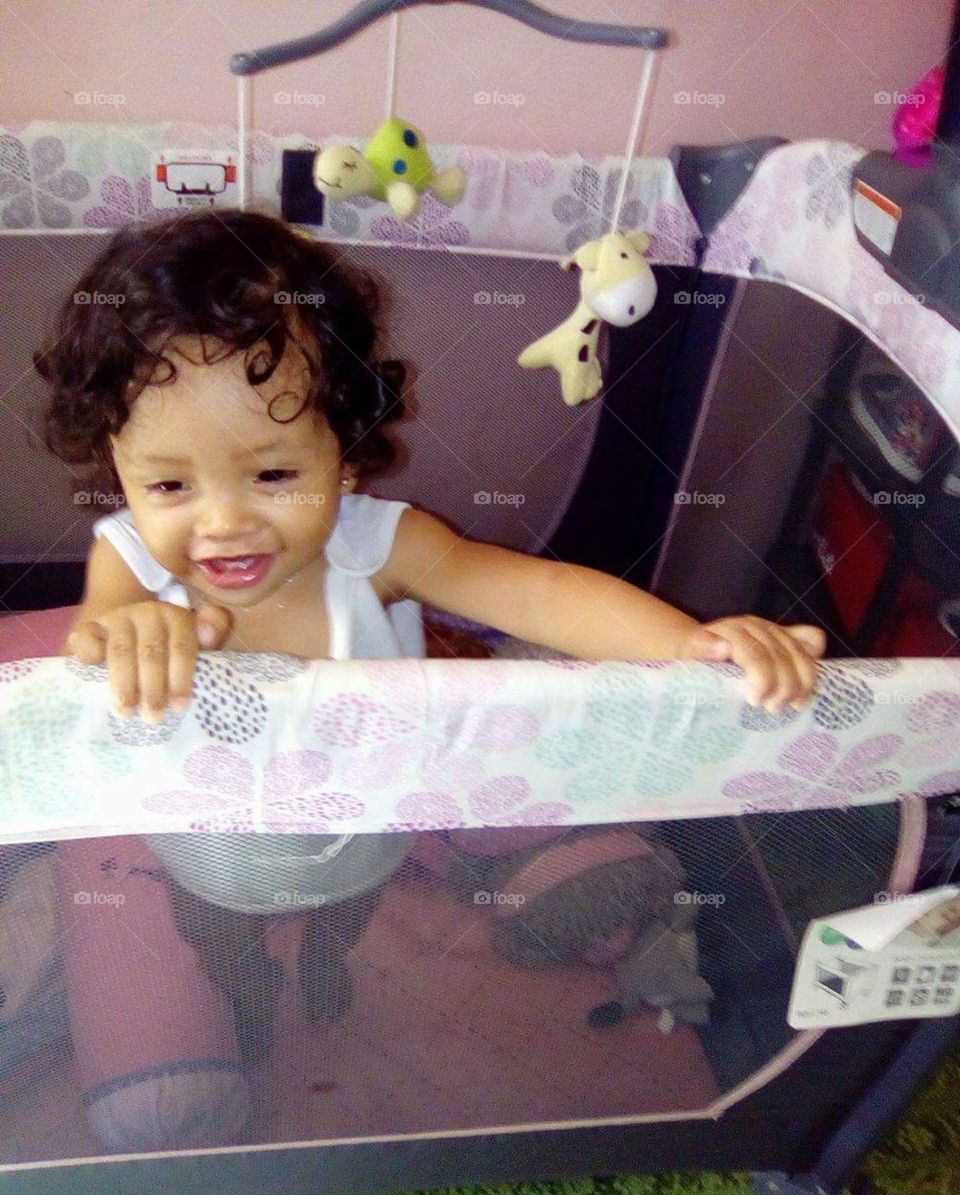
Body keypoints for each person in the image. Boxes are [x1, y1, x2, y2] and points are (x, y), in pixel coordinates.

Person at [34, 209, 826, 1063]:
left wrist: (694, 646)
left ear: (344, 451)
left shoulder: (380, 548)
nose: (225, 523)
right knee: (219, 939)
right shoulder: (130, 560)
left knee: (345, 923)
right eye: (169, 484)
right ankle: (250, 990)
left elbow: (544, 594)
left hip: (368, 831)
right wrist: (135, 629)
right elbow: (99, 636)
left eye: (273, 473)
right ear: (118, 471)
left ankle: (329, 964)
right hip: (208, 850)